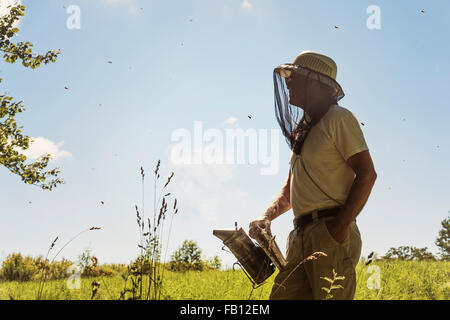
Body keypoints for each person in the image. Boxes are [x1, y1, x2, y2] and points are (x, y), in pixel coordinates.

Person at [249, 51, 377, 300]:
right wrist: (266, 217)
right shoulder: (304, 129)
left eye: (294, 78)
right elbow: (290, 190)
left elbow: (367, 173)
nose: (288, 83)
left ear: (315, 83)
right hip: (299, 235)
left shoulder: (339, 118)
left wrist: (339, 226)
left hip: (330, 229)